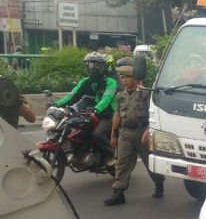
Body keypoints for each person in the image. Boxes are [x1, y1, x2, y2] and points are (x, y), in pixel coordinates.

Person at [103, 58, 165, 206]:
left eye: (127, 77)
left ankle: (159, 183)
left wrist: (149, 130)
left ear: (135, 78)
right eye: (122, 78)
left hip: (143, 132)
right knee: (122, 163)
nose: (124, 81)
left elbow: (155, 114)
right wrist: (114, 133)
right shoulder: (120, 96)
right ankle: (118, 193)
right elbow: (117, 115)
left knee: (150, 163)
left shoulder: (146, 94)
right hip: (126, 133)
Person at [55, 52, 118, 163]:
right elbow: (72, 96)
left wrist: (96, 109)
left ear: (102, 67)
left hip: (108, 114)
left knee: (97, 134)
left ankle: (112, 155)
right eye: (89, 65)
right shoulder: (86, 81)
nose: (92, 68)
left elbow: (106, 98)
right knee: (78, 129)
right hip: (93, 113)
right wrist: (56, 104)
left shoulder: (110, 82)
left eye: (95, 65)